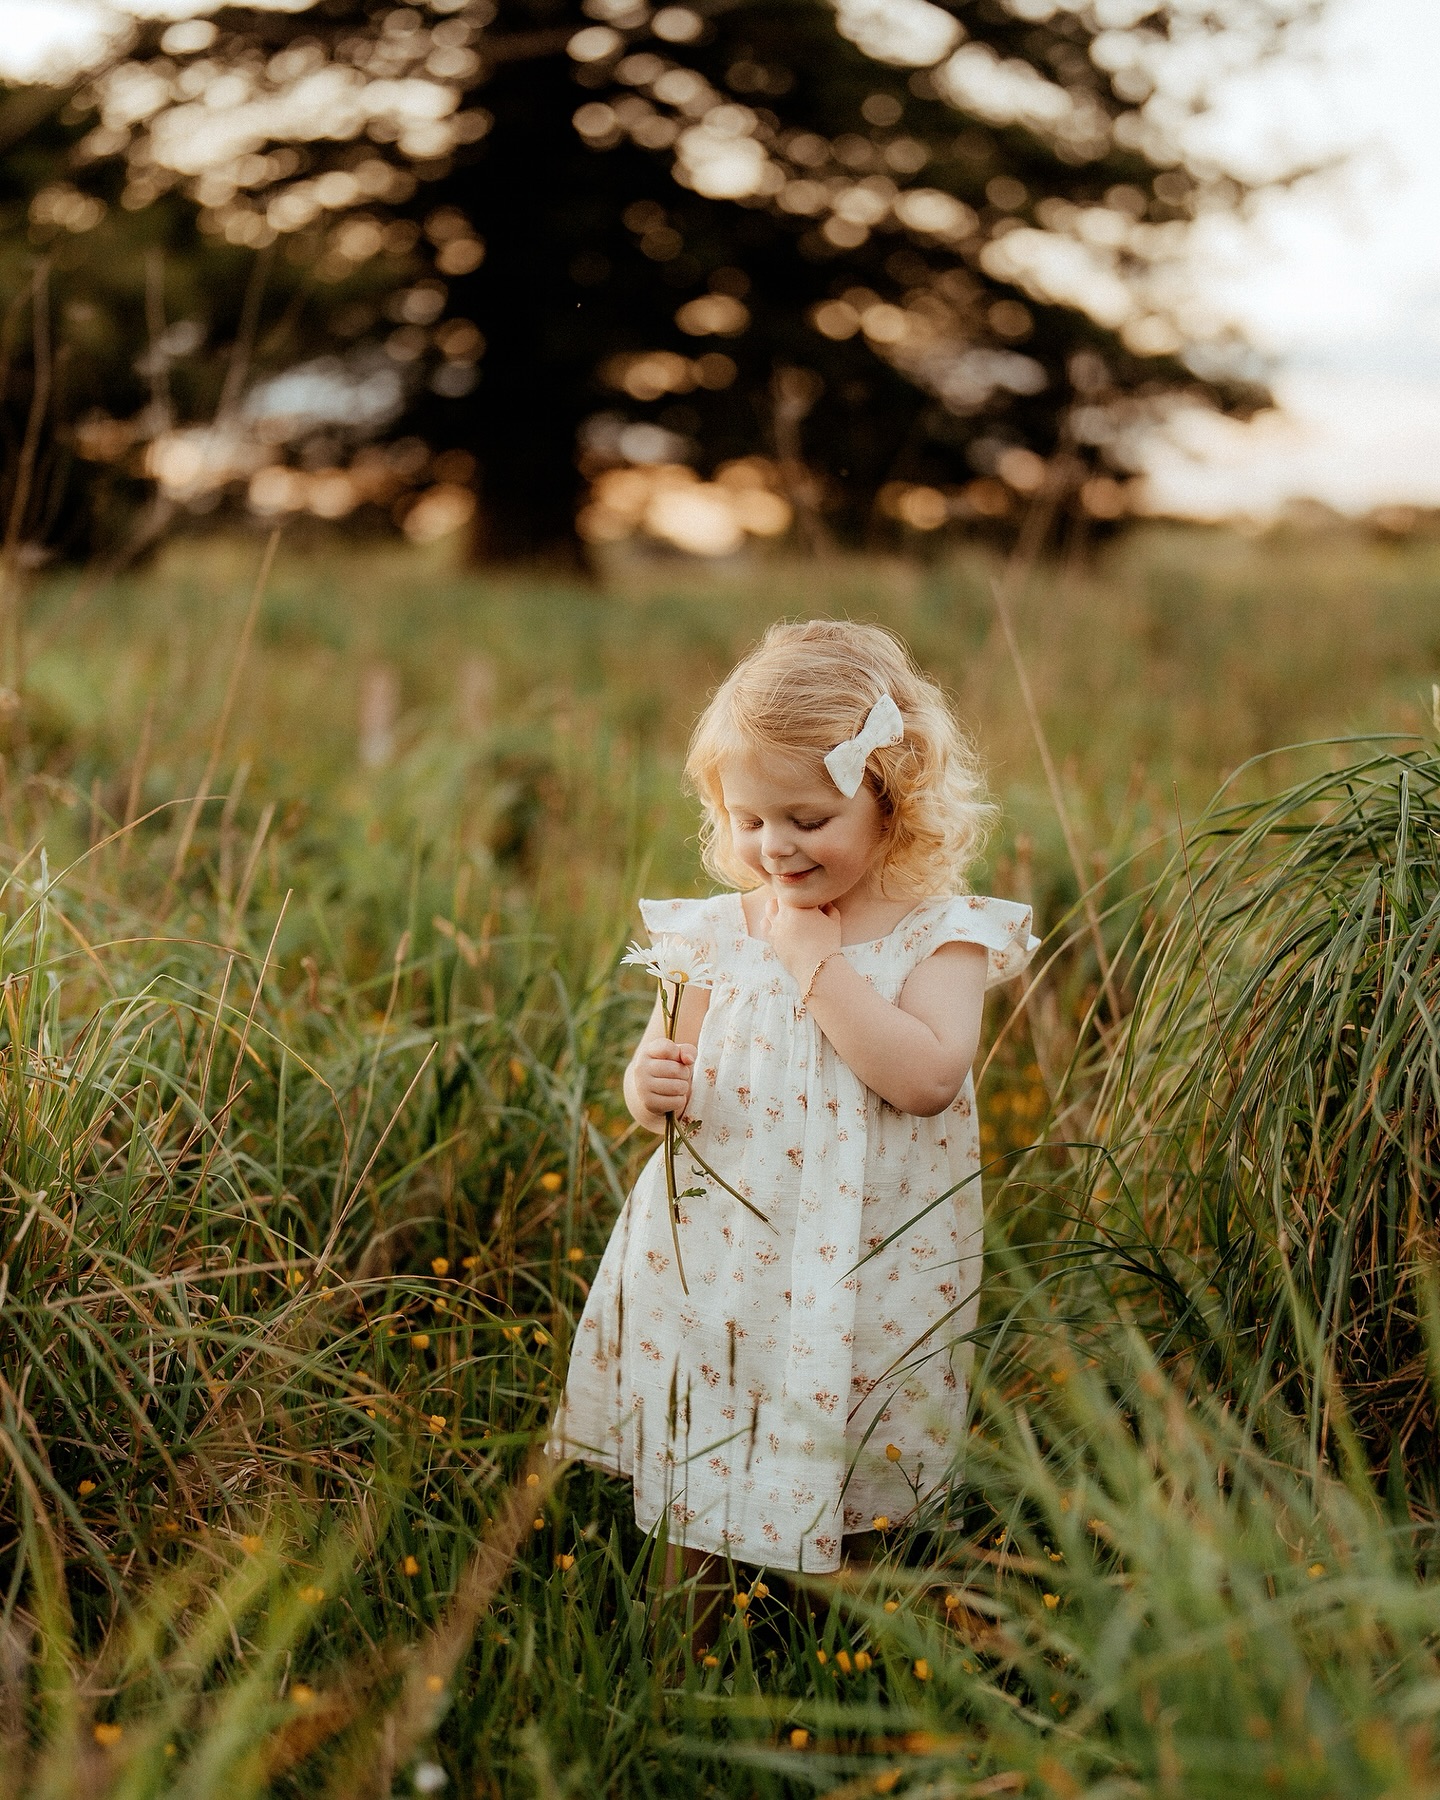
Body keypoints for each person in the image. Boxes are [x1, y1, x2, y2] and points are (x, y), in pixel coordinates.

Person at [547, 619, 1037, 1602]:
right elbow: (666, 1062)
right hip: (723, 1250)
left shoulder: (941, 935)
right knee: (707, 1432)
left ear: (889, 805)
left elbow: (927, 1078)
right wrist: (650, 1088)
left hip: (868, 1253)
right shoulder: (717, 935)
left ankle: (838, 1637)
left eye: (807, 820)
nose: (774, 847)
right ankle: (682, 1653)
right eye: (749, 821)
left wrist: (816, 963)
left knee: (850, 1434)